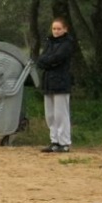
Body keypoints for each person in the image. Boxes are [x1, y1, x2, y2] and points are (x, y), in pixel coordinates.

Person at [35, 18, 75, 153]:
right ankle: (54, 141)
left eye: (59, 29)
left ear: (65, 29)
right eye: (54, 29)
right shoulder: (49, 42)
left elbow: (57, 58)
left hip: (61, 82)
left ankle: (64, 142)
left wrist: (47, 61)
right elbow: (41, 59)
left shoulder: (67, 44)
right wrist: (47, 61)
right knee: (50, 114)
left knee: (61, 114)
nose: (56, 31)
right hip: (48, 82)